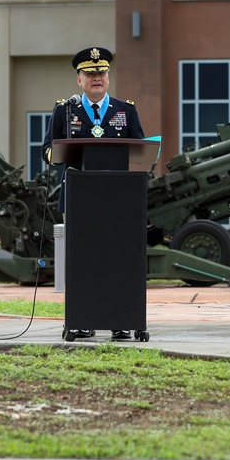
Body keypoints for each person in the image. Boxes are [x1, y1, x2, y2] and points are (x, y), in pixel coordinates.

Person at [41, 46, 145, 341]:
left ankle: (120, 321)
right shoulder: (65, 110)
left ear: (108, 78)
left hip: (118, 199)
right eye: (90, 74)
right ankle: (82, 320)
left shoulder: (126, 110)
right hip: (79, 198)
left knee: (117, 259)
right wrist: (61, 153)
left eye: (101, 73)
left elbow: (140, 147)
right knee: (83, 261)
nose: (96, 78)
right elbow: (48, 151)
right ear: (79, 80)